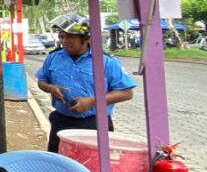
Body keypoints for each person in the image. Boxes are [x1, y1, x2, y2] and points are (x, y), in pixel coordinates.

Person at [35, 13, 137, 154]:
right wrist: (49, 87)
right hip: (61, 123)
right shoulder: (54, 57)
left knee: (91, 168)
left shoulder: (106, 61)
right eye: (62, 36)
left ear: (86, 38)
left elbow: (126, 93)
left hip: (94, 124)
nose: (65, 41)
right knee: (58, 165)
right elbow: (41, 81)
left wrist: (93, 101)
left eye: (71, 37)